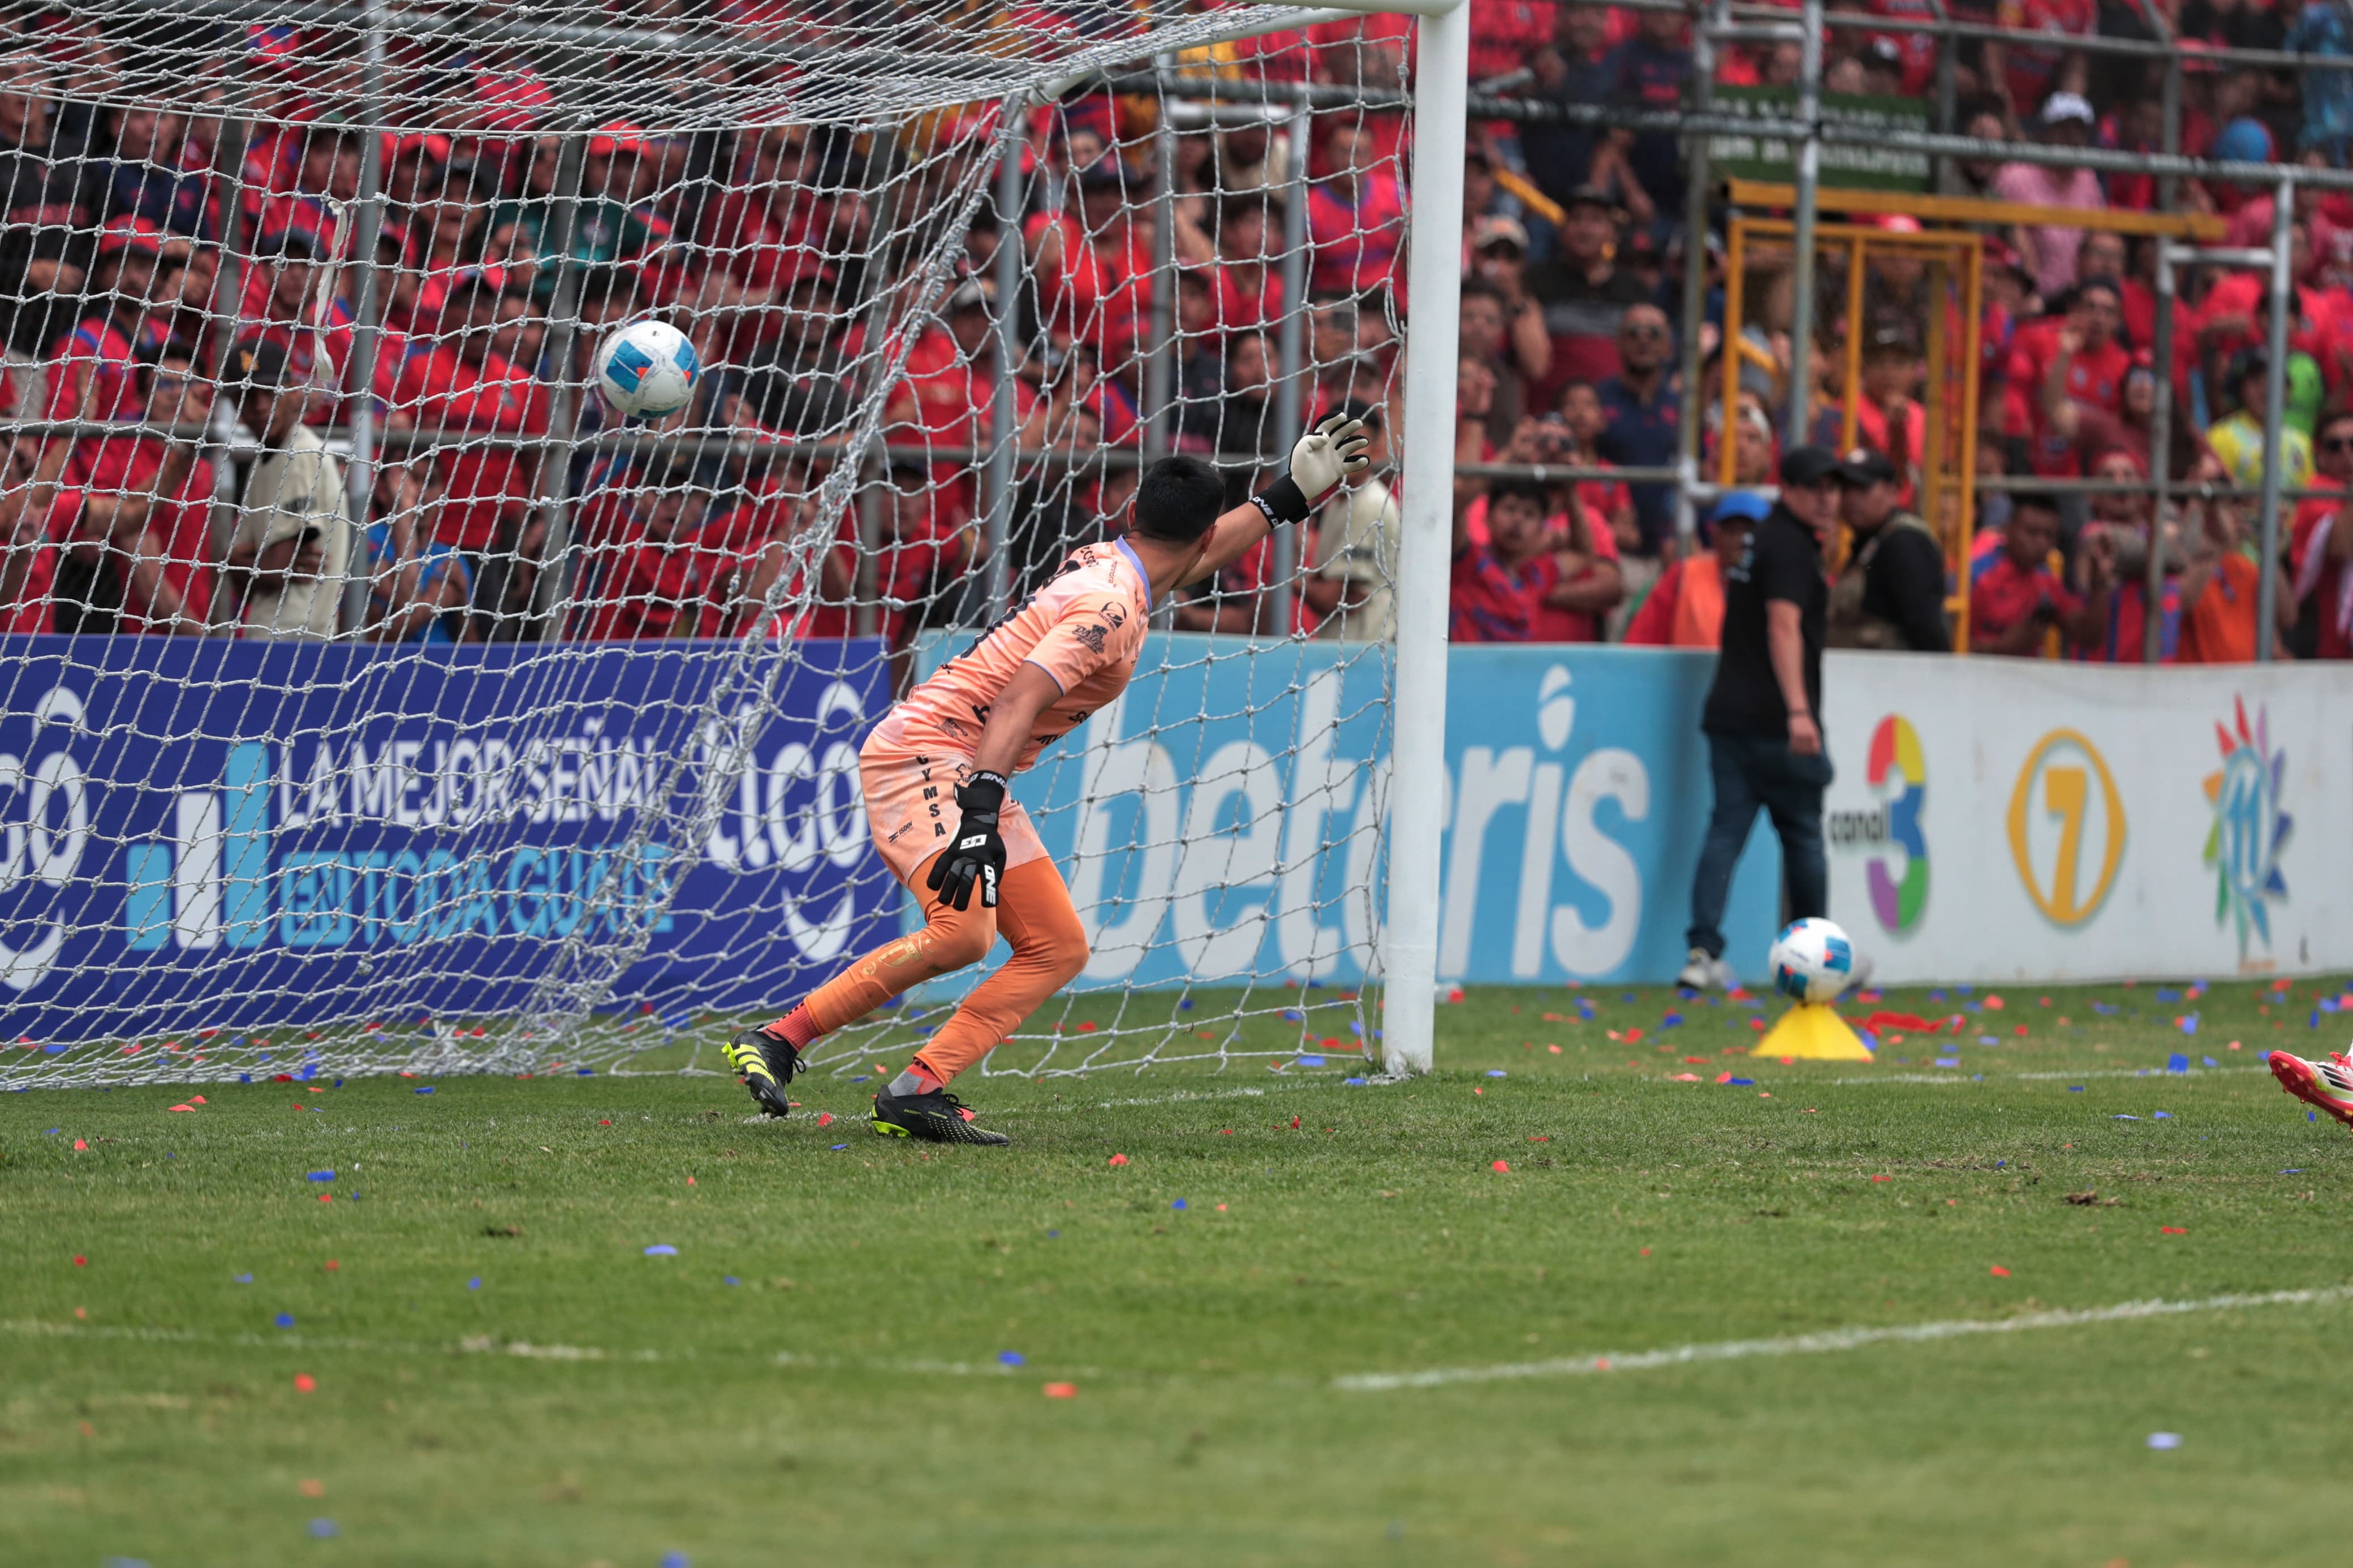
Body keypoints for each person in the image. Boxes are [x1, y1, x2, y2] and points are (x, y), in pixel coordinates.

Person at [716, 417, 1372, 1144]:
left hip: (966, 758)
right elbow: (1019, 699)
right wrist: (979, 813)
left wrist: (1285, 499)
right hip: (928, 753)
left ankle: (917, 1089)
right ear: (1198, 528)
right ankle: (780, 1037)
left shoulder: (1111, 559)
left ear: (1134, 514)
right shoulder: (1110, 606)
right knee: (964, 933)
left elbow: (1194, 556)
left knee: (1056, 946)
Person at [1678, 445, 1841, 993]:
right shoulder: (1791, 547)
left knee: (1725, 830)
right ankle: (1817, 955)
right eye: (1815, 486)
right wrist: (1799, 710)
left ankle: (1701, 952)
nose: (1827, 498)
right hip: (1775, 721)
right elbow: (1782, 625)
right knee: (1801, 836)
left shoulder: (1758, 543)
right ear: (1788, 489)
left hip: (1728, 713)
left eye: (1833, 488)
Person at [222, 340, 354, 640]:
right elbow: (246, 570)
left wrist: (242, 564)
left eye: (268, 393)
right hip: (274, 631)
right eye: (246, 396)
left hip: (293, 636)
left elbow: (270, 567)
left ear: (292, 391)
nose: (258, 406)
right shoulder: (266, 459)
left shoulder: (301, 453)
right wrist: (238, 564)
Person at [1825, 448, 1950, 652]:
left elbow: (1926, 626)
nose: (1851, 498)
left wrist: (1938, 677)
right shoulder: (1870, 540)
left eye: (1863, 488)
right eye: (1846, 488)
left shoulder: (1905, 542)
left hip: (1896, 678)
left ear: (1892, 492)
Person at [1968, 492, 2106, 655]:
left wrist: (2100, 582)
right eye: (2032, 532)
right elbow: (1948, 644)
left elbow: (2089, 637)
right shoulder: (1976, 573)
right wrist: (2001, 648)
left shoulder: (2047, 583)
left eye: (2049, 535)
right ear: (2008, 529)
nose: (2041, 542)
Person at [1623, 491, 1762, 647]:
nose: (1740, 540)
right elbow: (1641, 641)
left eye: (1750, 532)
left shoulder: (1780, 579)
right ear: (1714, 534)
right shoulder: (1683, 574)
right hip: (1694, 671)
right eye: (1731, 530)